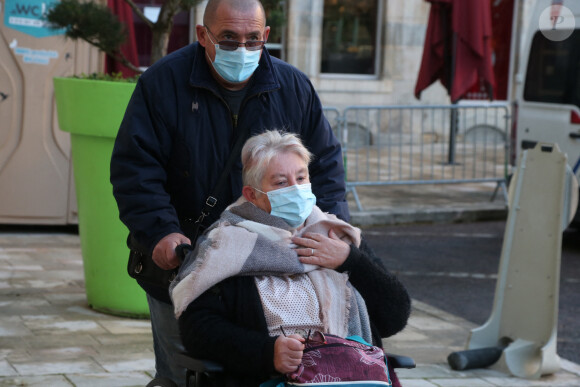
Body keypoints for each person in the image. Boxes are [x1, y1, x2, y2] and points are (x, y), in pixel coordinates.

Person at [110, 0, 349, 384]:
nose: (242, 49)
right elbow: (135, 170)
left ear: (267, 36)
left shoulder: (293, 87)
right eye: (229, 38)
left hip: (270, 270)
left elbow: (326, 170)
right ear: (203, 35)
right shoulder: (162, 83)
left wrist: (332, 230)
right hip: (183, 265)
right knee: (184, 374)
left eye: (253, 39)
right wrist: (159, 231)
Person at [171, 130, 411, 386]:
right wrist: (267, 352)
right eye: (280, 183)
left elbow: (394, 318)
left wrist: (351, 261)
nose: (296, 190)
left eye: (301, 177)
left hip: (353, 376)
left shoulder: (337, 235)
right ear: (252, 195)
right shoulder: (226, 246)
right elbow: (198, 329)